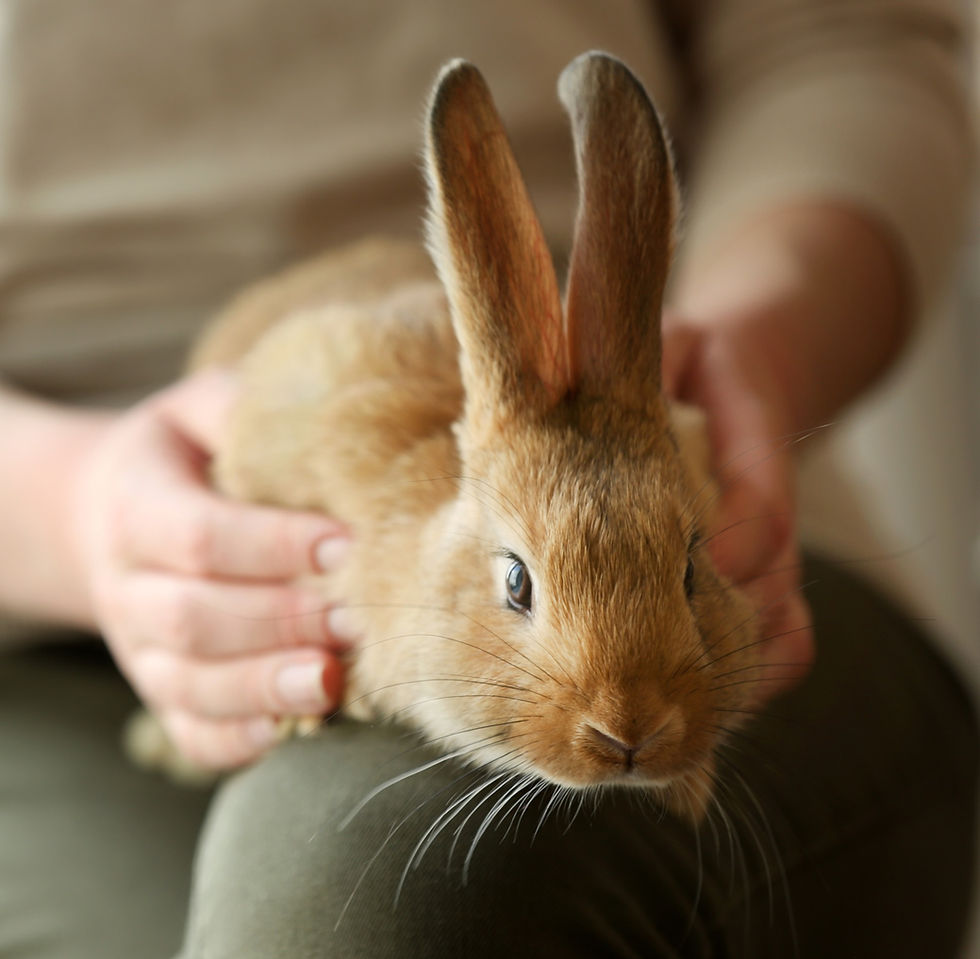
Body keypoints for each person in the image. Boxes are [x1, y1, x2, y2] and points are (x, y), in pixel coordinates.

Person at [0, 1, 975, 956]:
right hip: (38, 628)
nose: (626, 725)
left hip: (748, 527)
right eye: (517, 585)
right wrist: (66, 509)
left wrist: (754, 351)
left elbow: (843, 43)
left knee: (380, 884)